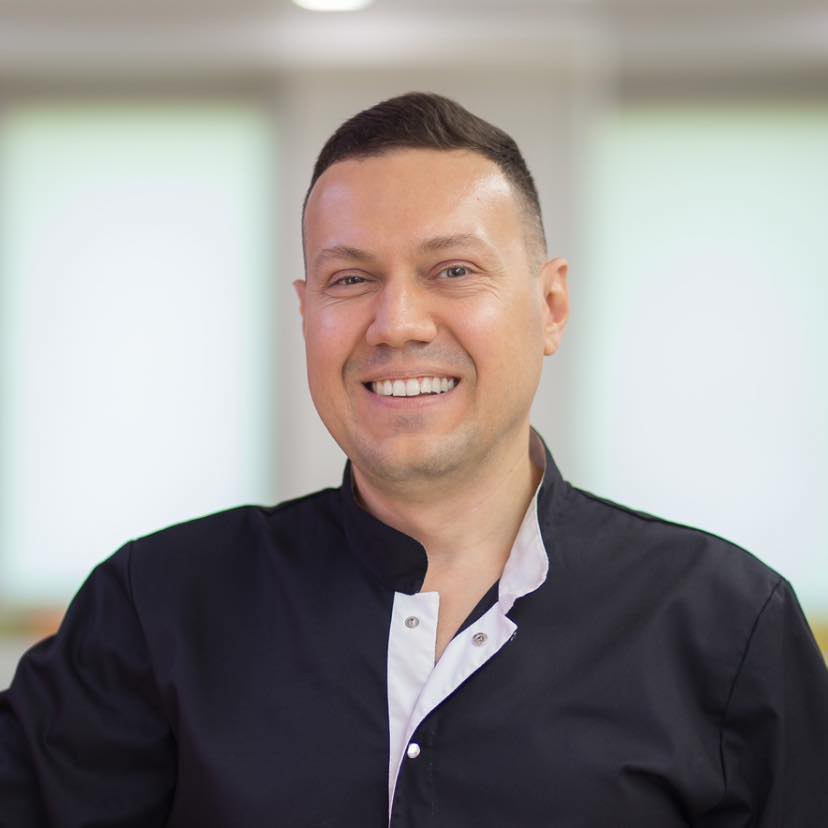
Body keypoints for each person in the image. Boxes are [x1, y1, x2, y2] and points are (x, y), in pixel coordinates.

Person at [1, 92, 826, 828]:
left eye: (453, 271)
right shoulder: (155, 610)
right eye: (350, 279)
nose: (397, 323)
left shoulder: (728, 627)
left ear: (550, 306)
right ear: (306, 313)